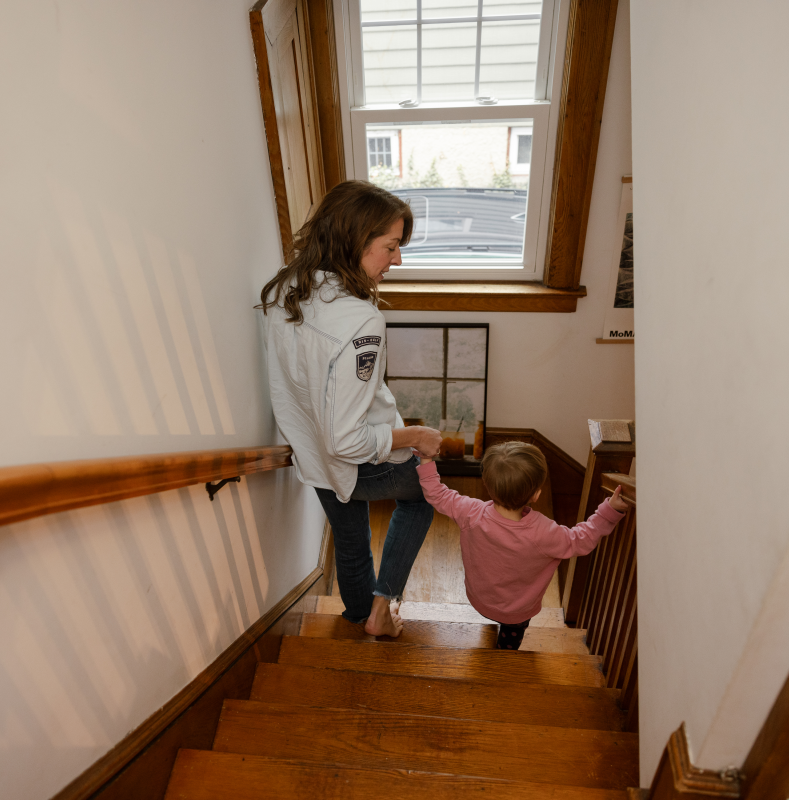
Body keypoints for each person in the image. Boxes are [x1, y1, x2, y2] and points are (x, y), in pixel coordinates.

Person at [258, 181, 443, 638]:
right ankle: (384, 607)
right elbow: (349, 441)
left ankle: (362, 615)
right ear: (354, 240)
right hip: (349, 456)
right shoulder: (361, 320)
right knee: (422, 495)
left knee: (349, 532)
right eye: (391, 247)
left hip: (312, 453)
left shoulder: (287, 287)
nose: (397, 260)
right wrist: (416, 437)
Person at [417, 441, 629, 649]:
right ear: (536, 494)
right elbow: (581, 540)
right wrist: (609, 510)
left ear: (487, 484)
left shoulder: (471, 513)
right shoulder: (543, 532)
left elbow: (438, 494)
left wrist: (426, 459)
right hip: (515, 614)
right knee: (509, 646)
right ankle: (505, 656)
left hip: (480, 599)